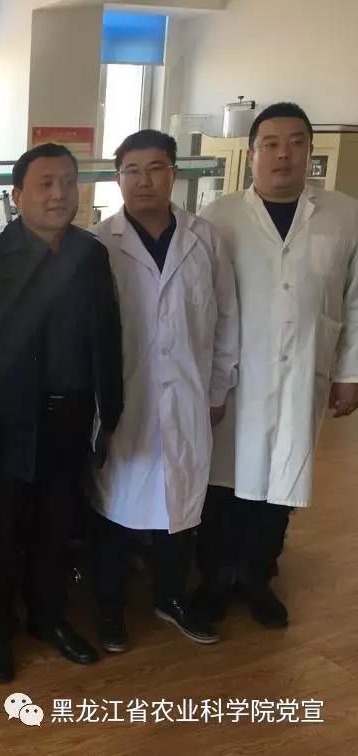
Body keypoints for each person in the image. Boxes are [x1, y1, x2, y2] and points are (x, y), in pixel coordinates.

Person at [0, 143, 123, 682]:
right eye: (45, 184)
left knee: (59, 526)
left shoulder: (90, 255)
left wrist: (109, 410)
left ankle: (49, 618)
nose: (59, 194)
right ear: (17, 195)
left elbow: (108, 337)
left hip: (73, 417)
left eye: (68, 183)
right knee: (5, 532)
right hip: (11, 423)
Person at [195, 103, 358, 629]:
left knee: (280, 482)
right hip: (235, 377)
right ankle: (215, 578)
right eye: (271, 143)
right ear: (251, 155)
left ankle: (257, 577)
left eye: (295, 143)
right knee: (223, 483)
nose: (283, 154)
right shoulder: (219, 218)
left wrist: (349, 373)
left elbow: (356, 301)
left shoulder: (346, 215)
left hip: (302, 371)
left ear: (310, 152)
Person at [90, 130, 239, 653]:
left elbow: (226, 319)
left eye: (155, 168)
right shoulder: (100, 244)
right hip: (123, 402)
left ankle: (171, 597)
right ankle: (109, 607)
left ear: (173, 174)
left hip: (188, 399)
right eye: (131, 170)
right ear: (118, 179)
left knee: (181, 506)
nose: (143, 180)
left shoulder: (205, 239)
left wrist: (217, 391)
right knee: (114, 506)